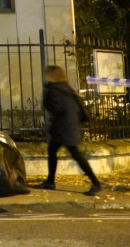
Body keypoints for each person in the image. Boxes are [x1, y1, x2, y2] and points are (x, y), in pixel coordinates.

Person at [38, 65, 102, 196]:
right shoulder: (66, 88)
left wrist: (46, 97)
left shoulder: (54, 90)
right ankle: (50, 181)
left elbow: (56, 108)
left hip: (64, 128)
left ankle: (96, 183)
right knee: (53, 151)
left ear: (51, 76)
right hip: (70, 126)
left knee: (76, 155)